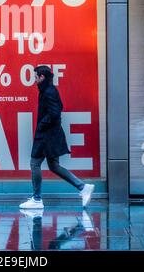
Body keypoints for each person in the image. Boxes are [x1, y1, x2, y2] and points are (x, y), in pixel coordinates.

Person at [19, 65, 94, 210]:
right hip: (50, 134)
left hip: (46, 136)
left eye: (35, 77)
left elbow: (55, 112)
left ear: (42, 77)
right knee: (54, 166)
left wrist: (41, 125)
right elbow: (58, 108)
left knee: (35, 163)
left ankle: (36, 199)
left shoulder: (48, 91)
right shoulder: (48, 90)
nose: (34, 80)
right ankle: (83, 187)